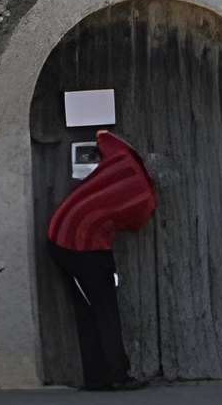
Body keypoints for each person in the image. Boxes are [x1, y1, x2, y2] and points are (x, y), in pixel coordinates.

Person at [46, 126, 157, 390]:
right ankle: (117, 375)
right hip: (80, 247)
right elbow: (137, 223)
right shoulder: (142, 195)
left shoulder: (120, 160)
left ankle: (97, 378)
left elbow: (103, 137)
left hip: (61, 238)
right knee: (105, 310)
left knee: (87, 312)